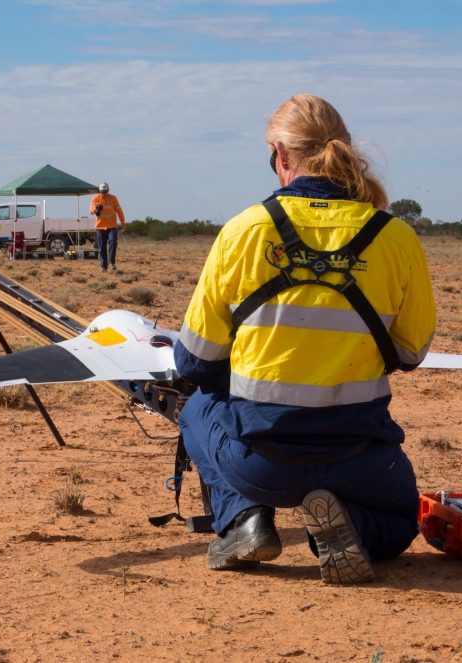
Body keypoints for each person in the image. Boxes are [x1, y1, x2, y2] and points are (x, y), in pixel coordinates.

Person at [173, 94, 436, 585]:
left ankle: (244, 519)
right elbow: (409, 352)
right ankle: (348, 527)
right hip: (363, 457)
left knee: (194, 408)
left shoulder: (243, 231)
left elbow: (194, 363)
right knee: (399, 528)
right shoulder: (396, 237)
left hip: (260, 462)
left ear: (281, 154)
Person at [89, 182, 126, 271]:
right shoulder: (96, 199)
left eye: (105, 192)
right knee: (102, 247)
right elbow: (90, 211)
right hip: (100, 227)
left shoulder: (113, 198)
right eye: (102, 192)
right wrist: (96, 210)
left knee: (113, 242)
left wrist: (123, 223)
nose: (104, 194)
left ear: (108, 191)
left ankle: (112, 262)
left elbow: (119, 211)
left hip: (112, 226)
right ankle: (103, 266)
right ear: (99, 191)